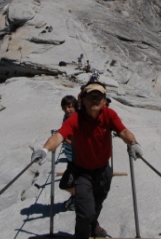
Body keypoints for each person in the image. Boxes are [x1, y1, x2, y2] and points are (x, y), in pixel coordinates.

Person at [32, 82, 142, 239]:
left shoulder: (109, 115)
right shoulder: (76, 119)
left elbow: (122, 130)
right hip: (83, 172)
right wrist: (44, 150)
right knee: (85, 213)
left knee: (97, 205)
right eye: (91, 96)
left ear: (105, 100)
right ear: (83, 100)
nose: (95, 99)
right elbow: (60, 135)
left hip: (103, 171)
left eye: (99, 96)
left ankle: (93, 226)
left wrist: (133, 143)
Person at [59, 95, 78, 210]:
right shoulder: (66, 117)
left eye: (70, 107)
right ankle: (76, 197)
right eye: (65, 108)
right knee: (74, 181)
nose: (67, 110)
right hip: (70, 157)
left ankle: (79, 198)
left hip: (77, 158)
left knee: (65, 183)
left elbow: (77, 144)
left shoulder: (77, 120)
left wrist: (62, 136)